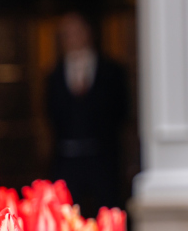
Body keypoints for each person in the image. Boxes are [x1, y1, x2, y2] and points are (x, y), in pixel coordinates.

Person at [46, 13, 129, 214]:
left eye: (76, 32)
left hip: (102, 157)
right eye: (66, 34)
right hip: (67, 158)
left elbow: (121, 110)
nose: (72, 39)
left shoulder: (111, 70)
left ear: (88, 33)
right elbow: (50, 114)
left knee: (107, 211)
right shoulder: (54, 75)